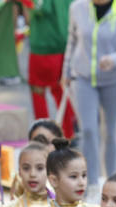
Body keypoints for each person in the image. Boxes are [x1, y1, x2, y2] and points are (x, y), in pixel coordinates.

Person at [62, 0, 116, 190]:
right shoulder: (77, 8)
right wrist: (66, 72)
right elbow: (72, 41)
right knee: (88, 130)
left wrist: (114, 59)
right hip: (83, 78)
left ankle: (112, 181)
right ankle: (92, 182)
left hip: (114, 81)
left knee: (110, 131)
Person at [28, 0, 76, 138]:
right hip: (63, 43)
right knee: (60, 89)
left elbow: (40, 7)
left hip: (46, 46)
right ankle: (68, 131)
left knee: (38, 91)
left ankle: (43, 135)